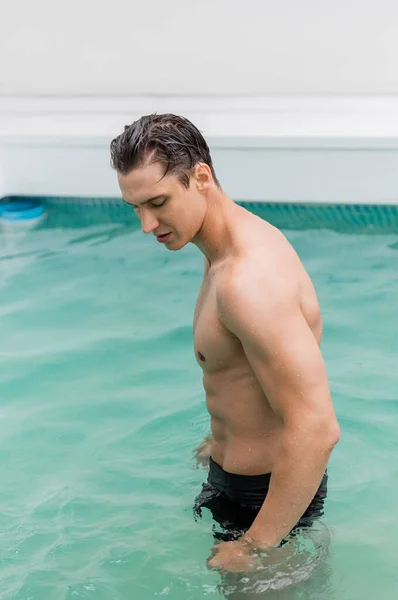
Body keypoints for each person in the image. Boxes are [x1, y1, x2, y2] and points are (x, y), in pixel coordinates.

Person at [110, 113, 340, 573]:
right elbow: (245, 373)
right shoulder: (224, 248)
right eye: (135, 207)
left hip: (266, 503)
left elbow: (316, 429)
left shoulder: (247, 282)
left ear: (200, 177)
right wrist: (219, 438)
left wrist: (256, 546)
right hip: (242, 482)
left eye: (157, 202)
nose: (145, 224)